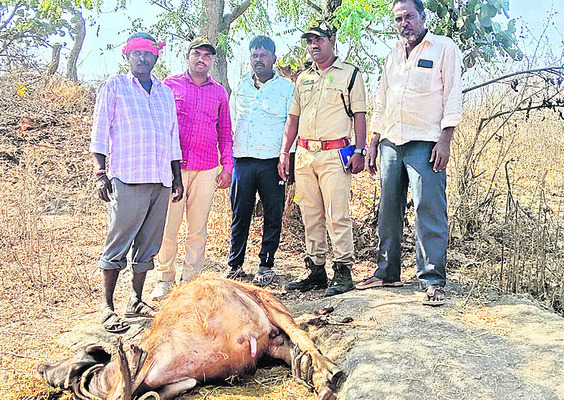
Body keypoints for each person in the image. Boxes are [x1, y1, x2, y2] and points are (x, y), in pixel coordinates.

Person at [356, 0, 462, 306]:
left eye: (410, 16)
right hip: (391, 140)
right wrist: (374, 139)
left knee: (428, 209)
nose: (404, 22)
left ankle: (432, 280)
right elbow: (382, 99)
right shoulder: (392, 55)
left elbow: (453, 94)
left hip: (426, 142)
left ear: (422, 16)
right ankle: (386, 272)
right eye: (399, 18)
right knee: (388, 209)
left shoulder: (443, 48)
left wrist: (446, 139)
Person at [90, 32, 183, 333]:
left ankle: (135, 299)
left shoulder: (164, 92)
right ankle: (107, 307)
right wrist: (100, 173)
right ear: (127, 56)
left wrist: (177, 178)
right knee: (119, 241)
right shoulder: (115, 87)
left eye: (149, 53)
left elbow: (172, 137)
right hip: (128, 176)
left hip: (160, 178)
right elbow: (100, 130)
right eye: (137, 53)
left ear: (156, 57)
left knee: (149, 244)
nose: (143, 58)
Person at [278, 21, 367, 297]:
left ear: (332, 40)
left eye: (319, 39)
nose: (314, 45)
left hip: (334, 154)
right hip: (305, 155)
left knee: (337, 214)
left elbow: (360, 116)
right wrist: (285, 152)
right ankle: (315, 269)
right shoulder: (303, 78)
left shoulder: (350, 74)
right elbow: (293, 118)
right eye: (310, 41)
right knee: (311, 214)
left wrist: (360, 151)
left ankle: (343, 270)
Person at [151, 37, 233, 301]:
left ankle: (191, 280)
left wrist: (227, 167)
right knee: (169, 226)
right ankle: (165, 278)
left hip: (207, 168)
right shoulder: (168, 86)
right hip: (174, 169)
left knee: (198, 227)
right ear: (187, 56)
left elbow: (225, 133)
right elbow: (159, 127)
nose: (201, 59)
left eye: (207, 56)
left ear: (212, 61)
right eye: (197, 54)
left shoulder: (219, 92)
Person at [226, 35, 294, 286]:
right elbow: (231, 122)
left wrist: (287, 157)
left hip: (272, 161)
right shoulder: (240, 85)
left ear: (274, 58)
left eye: (263, 55)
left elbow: (291, 123)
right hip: (242, 159)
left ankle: (266, 264)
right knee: (240, 212)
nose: (258, 60)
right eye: (254, 55)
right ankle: (235, 264)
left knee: (272, 214)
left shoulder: (287, 88)